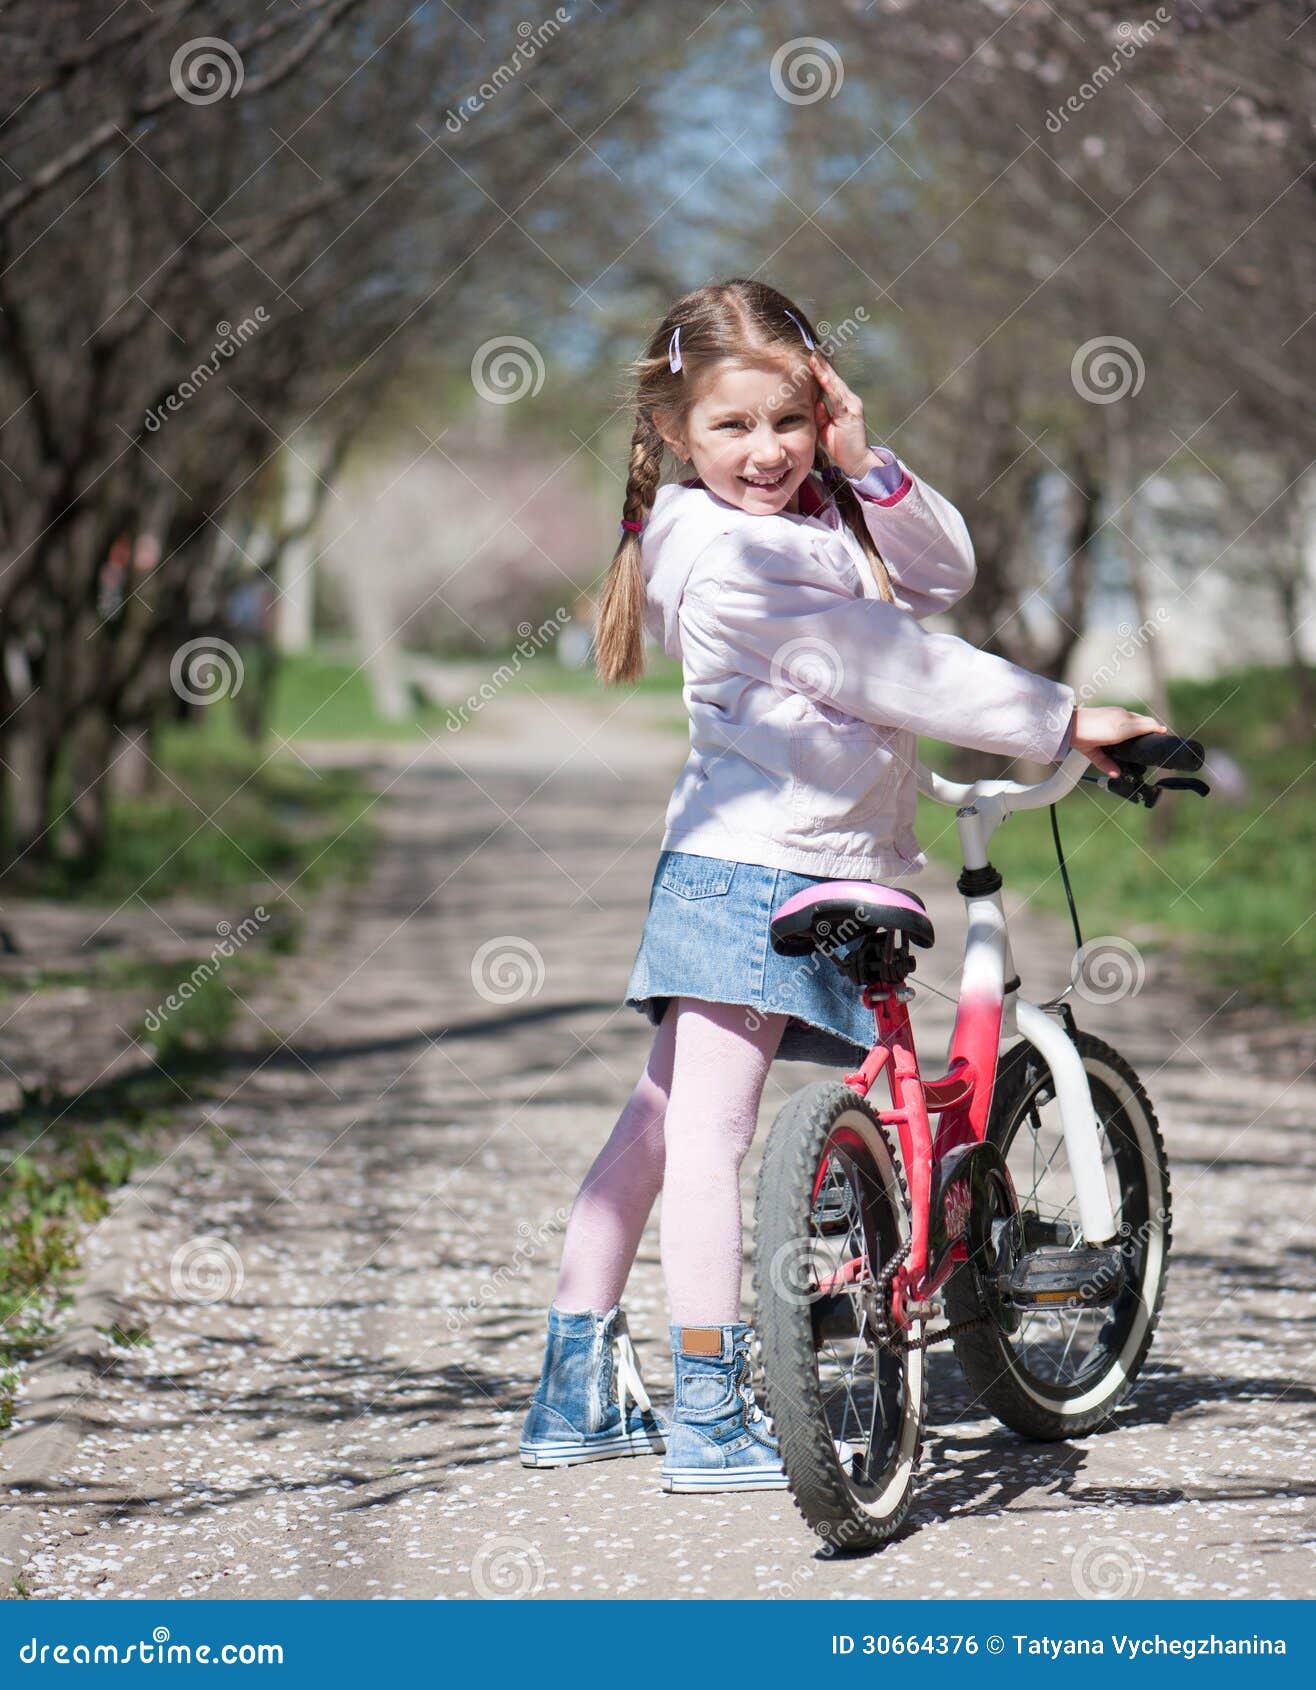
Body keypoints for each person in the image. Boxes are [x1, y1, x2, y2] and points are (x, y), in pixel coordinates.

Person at [519, 278, 1166, 1492]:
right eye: (730, 428)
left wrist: (867, 466)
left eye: (788, 421)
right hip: (752, 870)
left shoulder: (806, 515)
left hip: (779, 860)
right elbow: (895, 661)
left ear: (820, 409)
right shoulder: (730, 556)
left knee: (662, 1120)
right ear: (670, 431)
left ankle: (573, 1380)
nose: (764, 452)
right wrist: (1065, 717)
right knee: (709, 1133)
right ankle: (710, 1414)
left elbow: (934, 576)